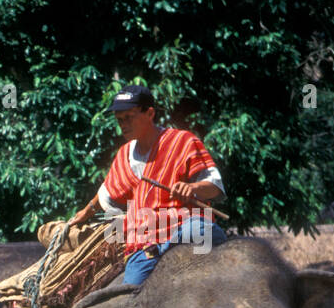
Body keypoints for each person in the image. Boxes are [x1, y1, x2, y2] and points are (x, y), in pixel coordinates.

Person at [68, 84, 227, 285]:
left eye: (129, 118)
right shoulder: (123, 156)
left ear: (150, 113)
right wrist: (86, 211)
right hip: (144, 243)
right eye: (119, 120)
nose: (123, 125)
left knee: (207, 232)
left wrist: (193, 188)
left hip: (184, 227)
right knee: (129, 295)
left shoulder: (182, 142)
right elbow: (106, 194)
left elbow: (214, 185)